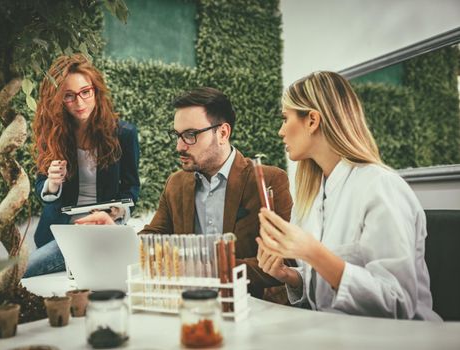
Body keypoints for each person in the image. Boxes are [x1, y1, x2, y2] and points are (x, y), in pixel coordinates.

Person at [256, 71, 441, 320]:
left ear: (312, 120)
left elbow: (397, 304)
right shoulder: (313, 194)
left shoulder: (380, 187)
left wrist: (314, 253)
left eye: (284, 118)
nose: (280, 131)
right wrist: (290, 276)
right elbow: (323, 293)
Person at [81, 87, 294, 300]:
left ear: (222, 133)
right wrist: (117, 236)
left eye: (190, 135)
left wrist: (204, 269)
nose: (179, 146)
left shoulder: (269, 181)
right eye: (178, 135)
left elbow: (284, 262)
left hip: (251, 306)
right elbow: (154, 237)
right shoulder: (176, 183)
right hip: (189, 304)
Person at [25, 54, 140, 277]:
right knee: (22, 271)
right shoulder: (52, 133)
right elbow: (42, 189)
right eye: (69, 96)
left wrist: (120, 210)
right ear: (58, 99)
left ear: (95, 90)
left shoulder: (124, 134)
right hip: (63, 231)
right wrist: (52, 182)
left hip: (105, 228)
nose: (79, 103)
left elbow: (131, 187)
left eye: (85, 92)